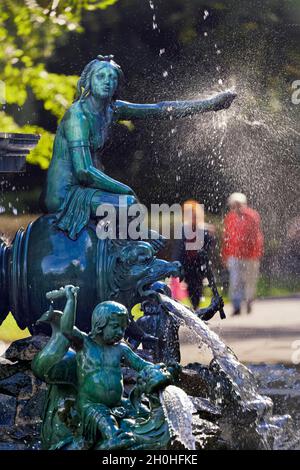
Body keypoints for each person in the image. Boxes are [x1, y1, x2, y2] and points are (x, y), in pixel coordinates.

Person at [40, 54, 236, 239]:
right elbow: (83, 171)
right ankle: (126, 254)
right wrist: (125, 189)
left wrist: (210, 105)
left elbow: (159, 110)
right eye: (100, 76)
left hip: (85, 188)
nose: (107, 81)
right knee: (128, 205)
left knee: (128, 206)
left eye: (112, 77)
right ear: (88, 81)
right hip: (65, 194)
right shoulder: (77, 116)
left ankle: (126, 252)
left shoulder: (112, 110)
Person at [221, 193, 264, 315]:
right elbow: (226, 238)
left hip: (251, 255)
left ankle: (249, 300)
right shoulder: (230, 217)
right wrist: (225, 255)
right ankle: (236, 305)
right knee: (235, 280)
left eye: (238, 204)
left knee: (250, 280)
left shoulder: (252, 216)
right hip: (234, 255)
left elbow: (257, 236)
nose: (235, 207)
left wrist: (258, 252)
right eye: (233, 205)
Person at [172, 200, 216, 310]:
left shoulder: (204, 229)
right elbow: (179, 248)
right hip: (187, 262)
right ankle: (194, 306)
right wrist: (175, 263)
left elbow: (210, 247)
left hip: (199, 262)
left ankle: (196, 306)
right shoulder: (183, 229)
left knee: (198, 285)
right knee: (190, 285)